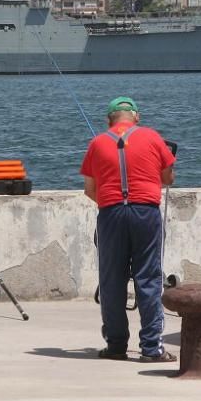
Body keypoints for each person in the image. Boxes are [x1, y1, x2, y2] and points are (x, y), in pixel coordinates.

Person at [80, 96, 176, 362]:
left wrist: (113, 204)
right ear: (136, 116)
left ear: (109, 119)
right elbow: (168, 177)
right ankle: (151, 348)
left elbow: (90, 189)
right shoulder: (152, 137)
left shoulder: (97, 143)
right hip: (145, 212)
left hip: (111, 213)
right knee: (148, 278)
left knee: (112, 280)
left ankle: (116, 345)